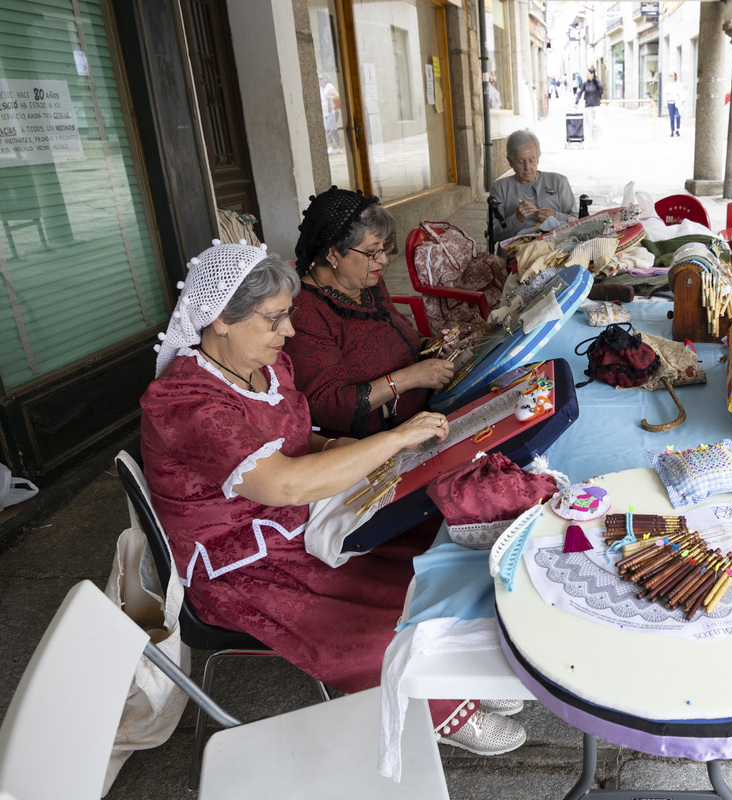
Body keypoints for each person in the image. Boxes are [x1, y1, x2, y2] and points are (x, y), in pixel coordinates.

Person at [141, 242, 525, 754]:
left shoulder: (266, 367)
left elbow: (295, 441)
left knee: (425, 558)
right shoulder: (188, 402)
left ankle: (449, 667)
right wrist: (392, 439)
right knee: (368, 625)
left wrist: (335, 446)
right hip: (240, 563)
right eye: (275, 319)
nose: (290, 333)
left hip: (298, 521)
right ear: (220, 320)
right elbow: (285, 482)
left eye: (288, 317)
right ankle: (440, 708)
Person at [285, 187, 454, 440]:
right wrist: (409, 378)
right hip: (375, 441)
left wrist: (431, 346)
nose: (383, 260)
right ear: (332, 253)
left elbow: (398, 333)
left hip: (426, 412)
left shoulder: (366, 282)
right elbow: (328, 406)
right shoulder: (306, 313)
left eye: (384, 247)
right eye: (372, 251)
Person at [489, 130, 577, 240]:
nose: (527, 168)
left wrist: (556, 216)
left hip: (556, 247)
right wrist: (516, 219)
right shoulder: (500, 188)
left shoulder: (559, 182)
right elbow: (494, 234)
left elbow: (577, 220)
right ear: (510, 162)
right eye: (521, 162)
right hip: (516, 251)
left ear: (538, 158)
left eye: (532, 160)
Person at [575, 66, 604, 146]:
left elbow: (601, 88)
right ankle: (591, 142)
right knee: (589, 125)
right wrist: (576, 102)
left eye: (588, 74)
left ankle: (597, 141)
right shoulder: (585, 84)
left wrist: (596, 78)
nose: (587, 75)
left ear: (592, 74)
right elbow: (580, 93)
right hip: (588, 106)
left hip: (596, 105)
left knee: (598, 123)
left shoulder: (597, 82)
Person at [319, 73, 341, 152]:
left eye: (321, 79)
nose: (320, 80)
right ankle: (333, 146)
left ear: (325, 79)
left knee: (331, 129)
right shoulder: (320, 88)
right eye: (319, 79)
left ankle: (335, 146)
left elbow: (337, 96)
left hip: (332, 111)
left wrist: (329, 96)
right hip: (325, 112)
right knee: (329, 129)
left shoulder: (329, 86)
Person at [665, 71, 684, 138]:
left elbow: (682, 92)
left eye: (672, 75)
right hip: (670, 102)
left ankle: (677, 129)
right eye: (669, 75)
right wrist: (665, 103)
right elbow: (665, 94)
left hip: (677, 102)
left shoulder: (678, 83)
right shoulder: (667, 84)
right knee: (672, 118)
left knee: (678, 116)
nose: (670, 77)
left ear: (675, 76)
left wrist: (681, 99)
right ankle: (672, 131)